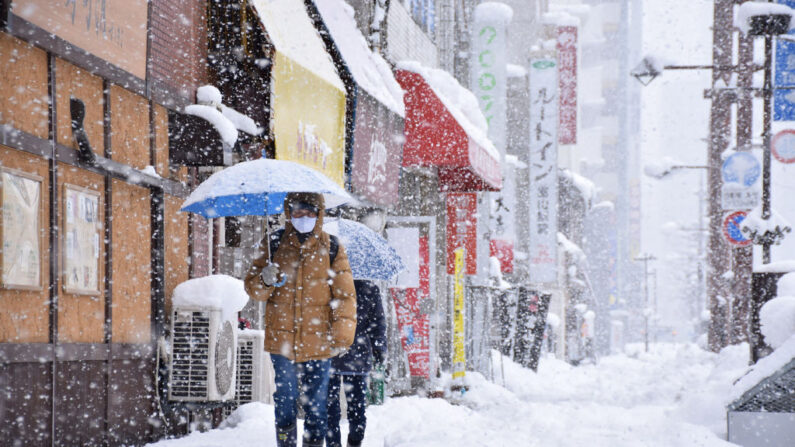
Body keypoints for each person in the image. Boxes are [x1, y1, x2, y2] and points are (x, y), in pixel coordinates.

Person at [245, 192, 356, 447]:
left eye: (309, 213)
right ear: (288, 213)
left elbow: (345, 295)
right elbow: (254, 291)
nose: (303, 218)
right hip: (281, 338)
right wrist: (265, 278)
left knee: (316, 402)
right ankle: (286, 443)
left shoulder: (333, 247)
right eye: (297, 212)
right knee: (286, 397)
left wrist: (341, 337)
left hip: (319, 340)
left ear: (318, 215)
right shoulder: (273, 244)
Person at [326, 279, 387, 447]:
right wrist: (379, 348)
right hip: (358, 356)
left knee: (329, 408)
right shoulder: (369, 288)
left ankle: (333, 443)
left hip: (329, 353)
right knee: (357, 407)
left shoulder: (327, 283)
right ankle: (355, 441)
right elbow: (378, 323)